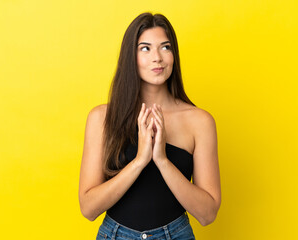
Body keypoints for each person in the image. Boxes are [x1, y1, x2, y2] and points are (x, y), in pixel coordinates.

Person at [78, 12, 221, 240]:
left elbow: (207, 214)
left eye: (165, 47)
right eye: (145, 48)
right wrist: (139, 161)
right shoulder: (101, 118)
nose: (157, 58)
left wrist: (162, 160)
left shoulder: (200, 122)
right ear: (130, 56)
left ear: (174, 55)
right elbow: (88, 208)